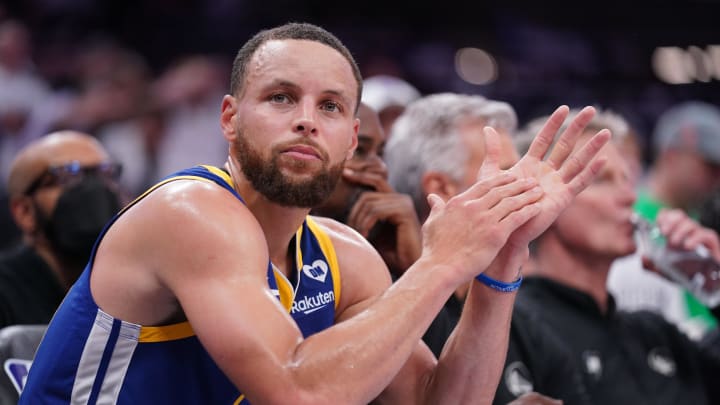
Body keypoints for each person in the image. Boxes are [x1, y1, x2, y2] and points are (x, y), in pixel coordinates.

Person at [21, 23, 609, 404]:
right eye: (281, 98)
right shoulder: (189, 212)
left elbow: (438, 401)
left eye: (329, 107)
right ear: (229, 118)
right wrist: (441, 263)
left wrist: (496, 264)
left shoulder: (341, 255)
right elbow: (296, 392)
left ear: (351, 138)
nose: (307, 119)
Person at [386, 93, 593, 404]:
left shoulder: (525, 324)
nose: (527, 186)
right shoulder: (382, 302)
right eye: (506, 172)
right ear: (441, 187)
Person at [511, 112, 720, 404]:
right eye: (601, 180)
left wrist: (715, 280)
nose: (630, 197)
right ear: (539, 199)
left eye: (628, 180)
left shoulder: (652, 331)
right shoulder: (512, 330)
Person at [607, 101, 720, 339]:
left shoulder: (702, 226)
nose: (716, 178)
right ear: (671, 156)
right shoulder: (622, 220)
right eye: (708, 166)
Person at [0, 131, 122, 328]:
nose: (94, 190)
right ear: (24, 212)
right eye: (67, 176)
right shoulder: (5, 293)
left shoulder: (135, 285)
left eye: (105, 173)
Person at [312, 102, 421, 277]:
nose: (380, 167)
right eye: (359, 150)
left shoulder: (385, 246)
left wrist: (415, 268)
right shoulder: (270, 248)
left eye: (380, 153)